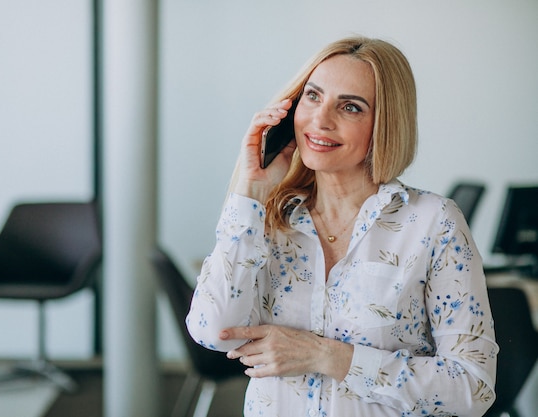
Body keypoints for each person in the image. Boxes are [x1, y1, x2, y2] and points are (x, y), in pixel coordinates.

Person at [186, 36, 498, 417]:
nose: (320, 120)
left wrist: (326, 356)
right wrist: (247, 189)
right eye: (312, 97)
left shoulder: (435, 222)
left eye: (350, 107)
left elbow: (473, 388)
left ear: (385, 124)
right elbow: (212, 330)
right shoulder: (263, 218)